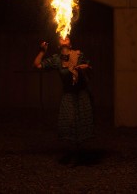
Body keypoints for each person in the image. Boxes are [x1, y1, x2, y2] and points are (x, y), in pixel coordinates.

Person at [33, 37, 94, 165]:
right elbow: (37, 65)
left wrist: (85, 68)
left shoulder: (78, 54)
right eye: (61, 37)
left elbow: (90, 68)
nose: (64, 37)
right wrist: (42, 51)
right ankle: (73, 152)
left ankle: (79, 154)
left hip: (81, 93)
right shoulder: (56, 59)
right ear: (58, 46)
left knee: (81, 123)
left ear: (70, 45)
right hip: (68, 94)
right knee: (70, 121)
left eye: (67, 37)